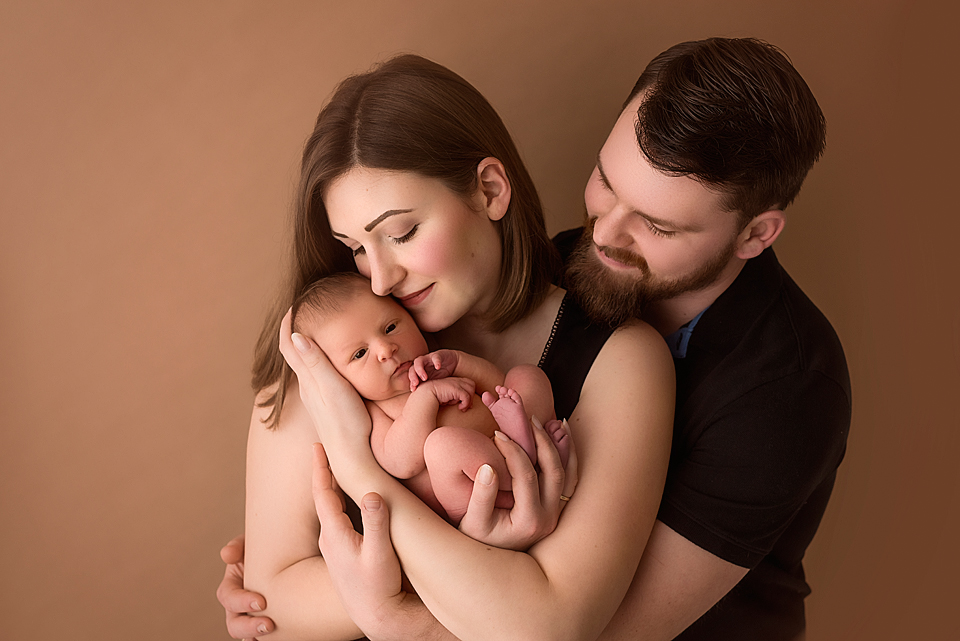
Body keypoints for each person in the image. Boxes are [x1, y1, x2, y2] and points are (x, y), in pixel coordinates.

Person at [220, 37, 851, 640]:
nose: (603, 235)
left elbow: (559, 629)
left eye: (656, 225)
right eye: (605, 184)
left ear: (753, 235)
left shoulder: (782, 389)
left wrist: (388, 603)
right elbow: (271, 608)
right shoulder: (358, 332)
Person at [223, 53, 674, 641]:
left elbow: (547, 625)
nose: (379, 280)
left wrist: (362, 479)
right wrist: (479, 580)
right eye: (356, 247)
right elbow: (270, 607)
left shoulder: (623, 361)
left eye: (402, 233)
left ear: (489, 190)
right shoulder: (330, 354)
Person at [290, 271, 569, 523]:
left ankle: (535, 443)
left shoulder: (433, 363)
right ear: (338, 378)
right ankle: (522, 478)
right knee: (441, 446)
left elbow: (496, 388)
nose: (386, 349)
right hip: (473, 496)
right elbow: (401, 462)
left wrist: (460, 363)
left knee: (525, 375)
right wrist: (426, 398)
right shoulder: (375, 409)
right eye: (359, 354)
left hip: (506, 434)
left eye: (390, 328)